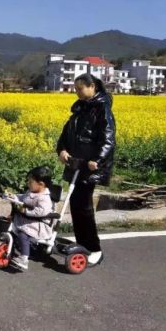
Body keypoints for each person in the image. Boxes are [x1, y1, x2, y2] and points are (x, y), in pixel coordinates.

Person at [57, 73, 115, 267]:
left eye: (80, 89)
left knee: (85, 208)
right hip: (76, 164)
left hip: (89, 167)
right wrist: (62, 149)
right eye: (76, 89)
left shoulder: (102, 109)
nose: (77, 92)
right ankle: (82, 244)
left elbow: (108, 139)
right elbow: (66, 133)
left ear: (92, 87)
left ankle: (95, 249)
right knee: (76, 206)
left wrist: (96, 160)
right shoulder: (81, 109)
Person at [4, 166, 54, 272]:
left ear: (41, 184)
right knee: (13, 225)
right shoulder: (32, 191)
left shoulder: (44, 198)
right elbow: (24, 198)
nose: (28, 183)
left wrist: (26, 211)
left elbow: (42, 211)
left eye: (30, 182)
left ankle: (24, 259)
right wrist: (14, 197)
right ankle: (10, 245)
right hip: (28, 220)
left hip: (38, 224)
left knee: (23, 234)